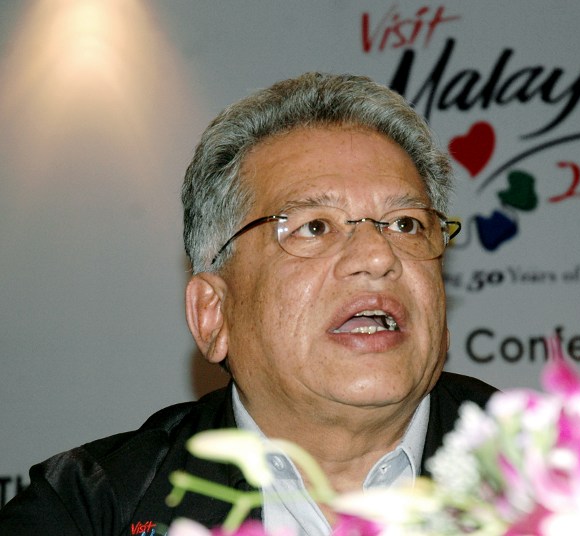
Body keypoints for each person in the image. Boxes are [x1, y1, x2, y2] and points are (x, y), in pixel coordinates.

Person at [0, 72, 497, 535]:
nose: (377, 256)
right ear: (213, 314)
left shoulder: (557, 466)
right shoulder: (91, 509)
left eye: (407, 224)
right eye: (315, 227)